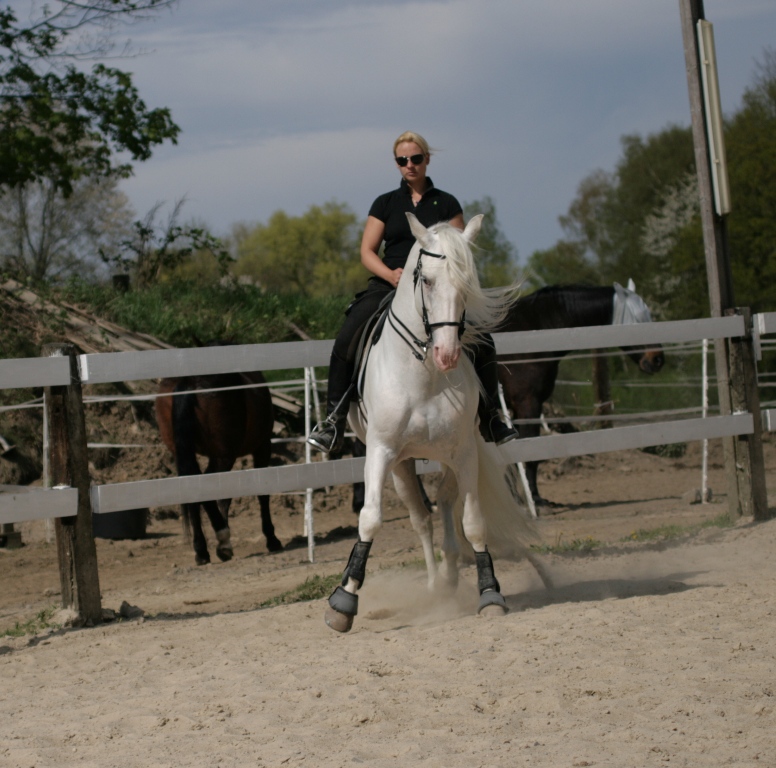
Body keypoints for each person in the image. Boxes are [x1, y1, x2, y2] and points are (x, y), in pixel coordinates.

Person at [307, 130, 518, 454]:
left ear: (427, 160)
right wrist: (391, 274)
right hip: (390, 283)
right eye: (402, 160)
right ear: (397, 164)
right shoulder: (386, 203)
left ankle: (491, 418)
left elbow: (459, 254)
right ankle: (334, 420)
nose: (410, 165)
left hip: (437, 289)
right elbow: (367, 251)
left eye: (416, 158)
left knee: (484, 341)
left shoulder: (446, 203)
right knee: (348, 335)